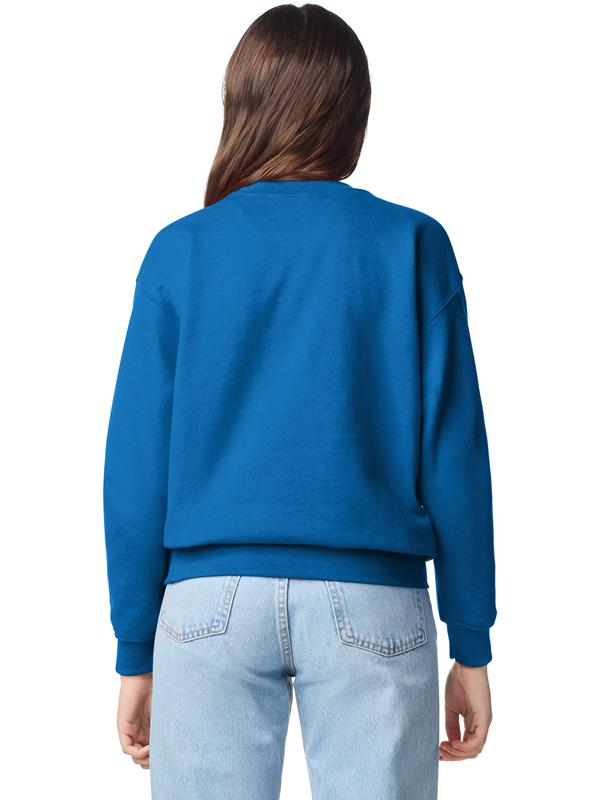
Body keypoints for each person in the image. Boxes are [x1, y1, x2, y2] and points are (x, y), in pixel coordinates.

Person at [103, 4, 496, 799]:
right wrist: (472, 642)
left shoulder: (181, 251)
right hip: (373, 599)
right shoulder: (411, 244)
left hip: (207, 605)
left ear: (241, 106)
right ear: (354, 111)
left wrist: (135, 651)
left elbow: (136, 465)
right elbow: (455, 455)